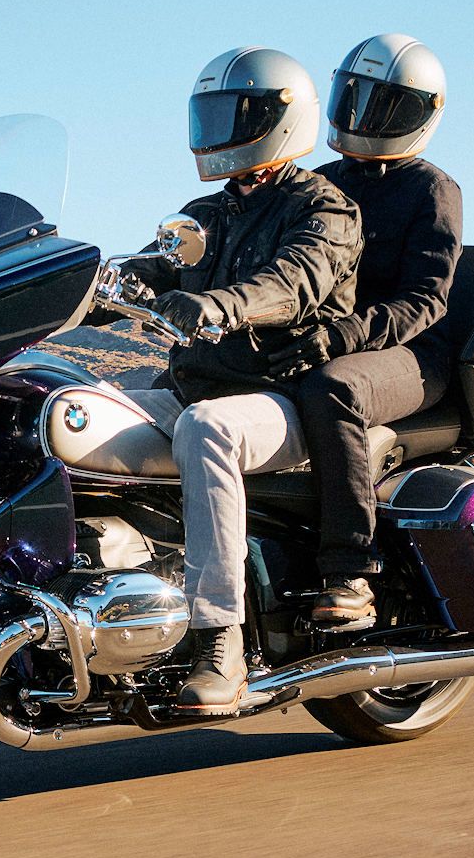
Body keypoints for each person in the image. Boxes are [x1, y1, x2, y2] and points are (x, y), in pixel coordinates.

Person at [110, 46, 363, 711]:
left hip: (281, 401)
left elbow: (295, 281)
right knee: (73, 409)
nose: (217, 132)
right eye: (210, 117)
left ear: (280, 119)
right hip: (194, 387)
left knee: (207, 429)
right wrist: (83, 286)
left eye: (234, 116)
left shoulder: (325, 210)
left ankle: (220, 640)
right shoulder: (206, 214)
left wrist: (222, 304)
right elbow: (149, 267)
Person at [266, 34, 463, 625]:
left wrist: (343, 336)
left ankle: (349, 572)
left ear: (420, 112)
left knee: (334, 389)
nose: (362, 115)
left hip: (412, 355)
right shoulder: (319, 181)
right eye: (355, 97)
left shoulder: (432, 190)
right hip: (328, 339)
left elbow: (425, 300)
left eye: (383, 104)